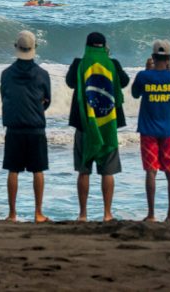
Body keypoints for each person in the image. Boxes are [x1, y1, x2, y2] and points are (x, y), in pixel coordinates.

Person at [66, 32, 129, 222]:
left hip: (84, 125)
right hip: (108, 125)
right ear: (104, 46)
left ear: (87, 46)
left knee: (84, 170)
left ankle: (83, 214)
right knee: (107, 171)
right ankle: (107, 214)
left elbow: (70, 83)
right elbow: (124, 82)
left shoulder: (79, 64)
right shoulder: (113, 64)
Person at [131, 39, 170, 224]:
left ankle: (151, 214)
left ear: (153, 57)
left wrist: (148, 70)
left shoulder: (144, 76)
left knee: (151, 171)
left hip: (148, 130)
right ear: (169, 58)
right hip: (168, 130)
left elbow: (135, 94)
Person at [0, 30, 51, 223]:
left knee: (13, 170)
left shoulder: (6, 74)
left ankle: (12, 214)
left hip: (13, 128)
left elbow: (3, 96)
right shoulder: (42, 74)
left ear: (16, 48)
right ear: (34, 49)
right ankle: (38, 213)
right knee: (38, 170)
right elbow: (48, 101)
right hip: (36, 127)